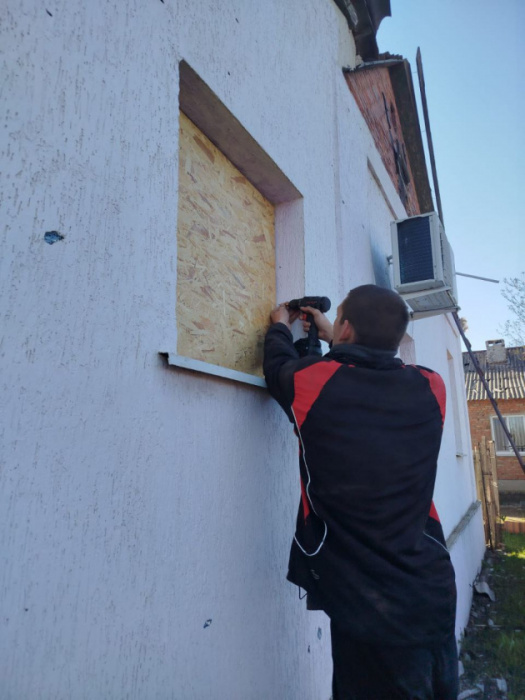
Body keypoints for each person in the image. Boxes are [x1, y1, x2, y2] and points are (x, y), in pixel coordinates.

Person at [263, 284, 458, 700]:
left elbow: (280, 368)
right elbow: (360, 374)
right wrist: (340, 338)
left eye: (340, 322)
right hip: (432, 592)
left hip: (369, 610)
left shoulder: (313, 383)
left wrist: (280, 326)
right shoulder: (432, 387)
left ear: (347, 328)